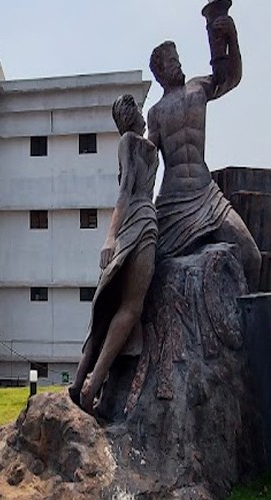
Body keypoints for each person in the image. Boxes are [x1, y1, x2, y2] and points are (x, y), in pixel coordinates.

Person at [147, 14, 261, 292]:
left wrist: (230, 40)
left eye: (178, 59)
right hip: (172, 202)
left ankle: (246, 319)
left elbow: (229, 77)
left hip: (206, 194)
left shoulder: (198, 89)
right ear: (160, 72)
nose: (178, 65)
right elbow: (147, 161)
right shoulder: (156, 113)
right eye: (172, 62)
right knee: (151, 273)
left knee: (251, 256)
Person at [69, 95, 158, 414]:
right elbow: (127, 191)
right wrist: (109, 236)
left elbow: (124, 191)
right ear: (130, 116)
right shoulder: (135, 142)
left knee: (107, 304)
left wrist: (111, 236)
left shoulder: (136, 143)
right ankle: (88, 384)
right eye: (136, 110)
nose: (143, 114)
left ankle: (83, 382)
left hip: (136, 220)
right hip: (143, 221)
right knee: (124, 307)